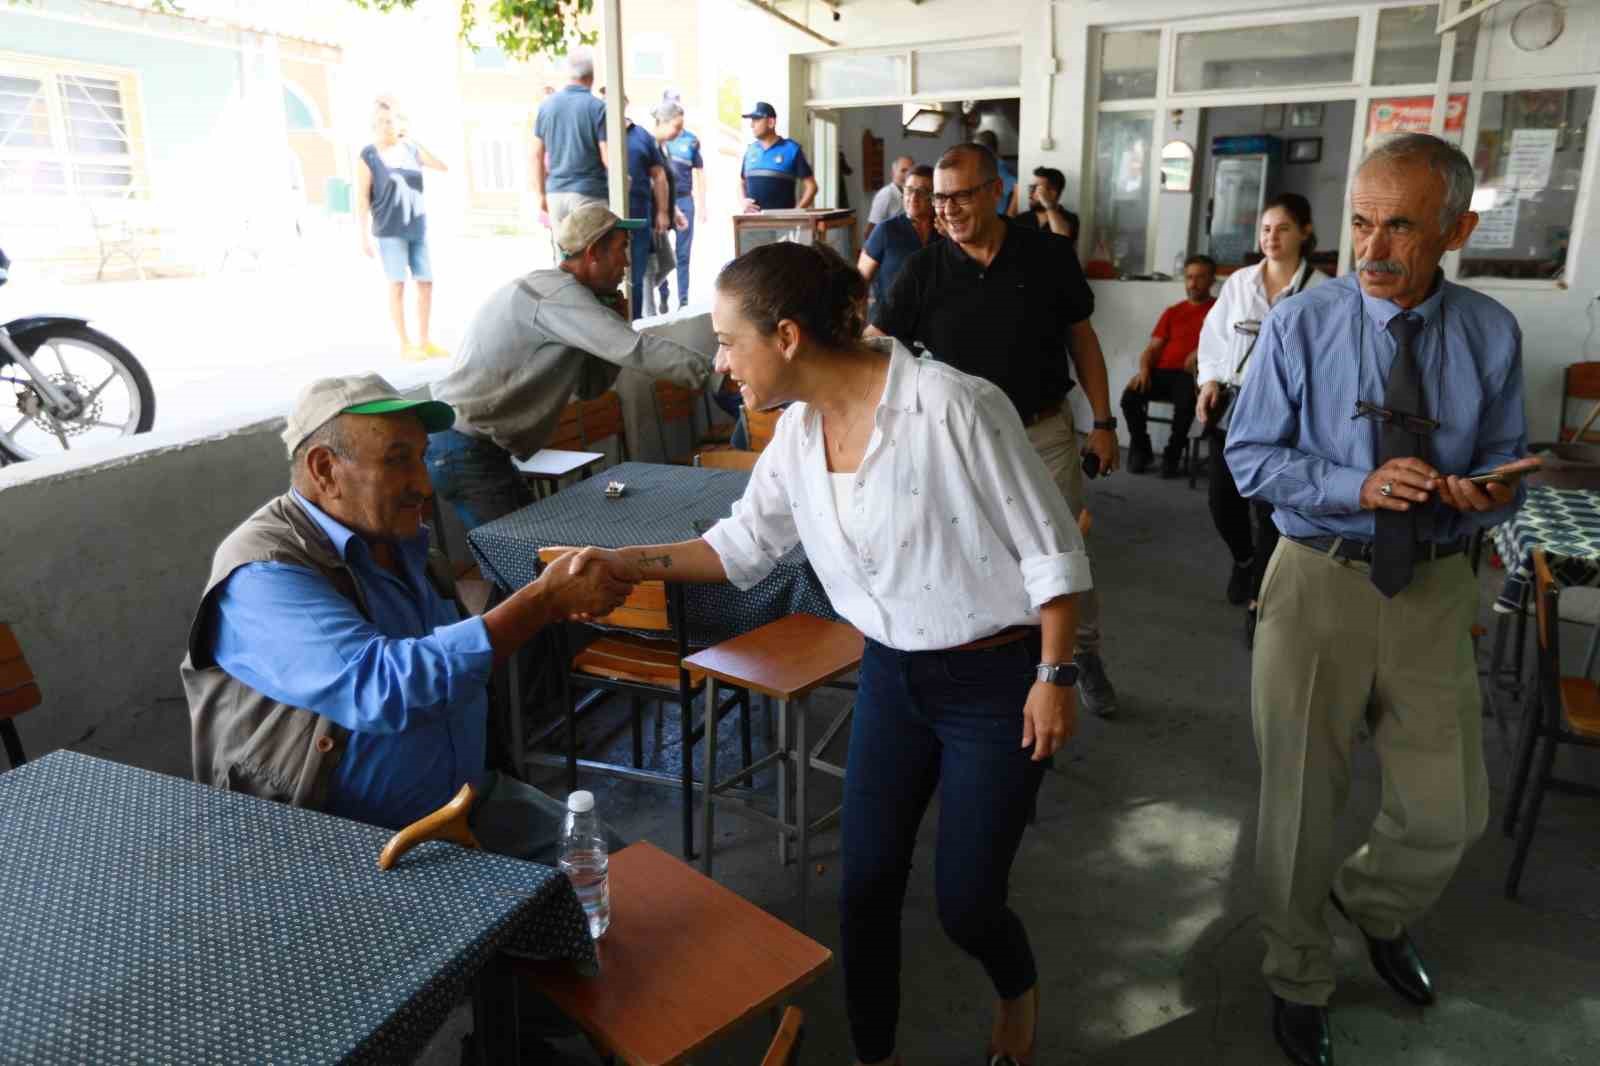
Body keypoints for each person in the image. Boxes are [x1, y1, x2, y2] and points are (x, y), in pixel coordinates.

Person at [580, 241, 1090, 1066]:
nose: (720, 363)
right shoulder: (797, 435)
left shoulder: (953, 407)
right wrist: (621, 562)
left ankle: (1016, 991)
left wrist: (1054, 675)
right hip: (891, 672)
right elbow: (739, 548)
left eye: (727, 341)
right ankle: (874, 1054)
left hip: (999, 679)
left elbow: (1052, 550)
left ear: (785, 336)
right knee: (863, 887)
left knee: (967, 903)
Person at [1225, 133, 1527, 1066]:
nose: (1374, 249)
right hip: (1317, 578)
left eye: (1401, 227)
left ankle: (1375, 905)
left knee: (1450, 810)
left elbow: (1504, 463)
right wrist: (1353, 487)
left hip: (1436, 585)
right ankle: (1297, 973)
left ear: (1457, 230)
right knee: (1301, 805)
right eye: (1361, 222)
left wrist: (1488, 491)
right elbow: (1248, 457)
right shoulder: (1301, 323)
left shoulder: (1490, 331)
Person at [182, 372, 635, 852]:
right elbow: (381, 687)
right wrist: (541, 601)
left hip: (468, 804)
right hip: (343, 842)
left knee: (622, 876)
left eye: (421, 458)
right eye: (398, 461)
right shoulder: (264, 572)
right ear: (325, 470)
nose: (423, 483)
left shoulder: (400, 545)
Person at [869, 141, 1122, 718]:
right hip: (957, 443)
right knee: (974, 552)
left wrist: (1102, 423)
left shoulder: (1049, 255)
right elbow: (877, 352)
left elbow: (1081, 339)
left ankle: (1080, 654)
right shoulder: (922, 270)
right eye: (939, 199)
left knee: (1061, 552)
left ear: (996, 193)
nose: (948, 210)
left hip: (1044, 432)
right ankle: (997, 669)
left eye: (961, 196)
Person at [428, 204, 724, 531]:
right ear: (594, 252)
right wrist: (718, 378)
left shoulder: (570, 299)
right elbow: (638, 350)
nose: (626, 262)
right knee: (526, 558)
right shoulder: (556, 294)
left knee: (526, 558)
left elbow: (589, 387)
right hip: (463, 448)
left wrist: (616, 321)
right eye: (620, 249)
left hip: (473, 446)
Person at [1196, 193, 1330, 644]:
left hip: (1288, 414)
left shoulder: (1322, 291)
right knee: (1222, 501)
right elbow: (1214, 337)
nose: (1272, 237)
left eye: (1283, 228)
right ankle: (1245, 559)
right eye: (1266, 229)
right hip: (1233, 405)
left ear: (1305, 232)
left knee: (1271, 509)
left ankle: (1259, 600)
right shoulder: (1240, 283)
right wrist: (1209, 381)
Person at [354, 98, 448, 361]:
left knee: (426, 282)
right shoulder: (369, 155)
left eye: (391, 121)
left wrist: (414, 139)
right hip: (388, 229)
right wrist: (362, 235)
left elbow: (442, 166)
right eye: (382, 122)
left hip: (417, 227)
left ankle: (425, 340)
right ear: (373, 125)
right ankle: (406, 344)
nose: (387, 126)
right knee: (397, 285)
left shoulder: (410, 150)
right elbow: (362, 196)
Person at [1121, 254, 1216, 477]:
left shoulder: (1219, 309)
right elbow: (1153, 348)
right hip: (1162, 373)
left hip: (1192, 375)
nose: (1193, 283)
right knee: (1130, 396)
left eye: (1200, 277)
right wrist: (1144, 370)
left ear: (1212, 280)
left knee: (1185, 401)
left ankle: (1172, 455)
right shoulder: (1173, 311)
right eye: (1189, 277)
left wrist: (1200, 353)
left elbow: (1227, 344)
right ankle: (1142, 450)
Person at [531, 48, 609, 260]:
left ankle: (566, 293)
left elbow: (537, 155)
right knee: (593, 260)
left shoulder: (546, 106)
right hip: (589, 193)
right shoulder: (598, 108)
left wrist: (541, 194)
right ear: (591, 77)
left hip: (556, 195)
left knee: (564, 260)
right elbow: (607, 156)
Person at [857, 164, 937, 308]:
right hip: (888, 324)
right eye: (909, 190)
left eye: (922, 191)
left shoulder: (944, 232)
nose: (913, 197)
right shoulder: (886, 230)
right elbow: (859, 283)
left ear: (934, 196)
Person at [655, 93, 705, 311]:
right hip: (664, 204)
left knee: (683, 255)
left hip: (684, 201)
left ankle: (683, 300)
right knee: (660, 252)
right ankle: (663, 294)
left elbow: (700, 173)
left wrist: (702, 204)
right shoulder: (659, 142)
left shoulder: (691, 140)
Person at [623, 111, 671, 321]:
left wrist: (662, 211)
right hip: (607, 219)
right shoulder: (599, 135)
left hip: (639, 218)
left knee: (637, 278)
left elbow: (659, 175)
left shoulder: (642, 136)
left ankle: (634, 324)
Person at [739, 101, 816, 212]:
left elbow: (811, 187)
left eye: (756, 120)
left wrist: (796, 213)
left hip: (782, 226)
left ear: (771, 122)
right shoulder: (750, 150)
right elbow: (741, 182)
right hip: (751, 224)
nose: (752, 125)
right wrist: (743, 201)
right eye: (752, 121)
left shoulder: (792, 149)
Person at [1012, 166, 1079, 244]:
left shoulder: (1069, 218)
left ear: (1053, 193)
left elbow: (1063, 240)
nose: (1030, 193)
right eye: (1030, 188)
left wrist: (1048, 205)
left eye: (1036, 188)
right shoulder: (1021, 219)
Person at [864, 155, 913, 241]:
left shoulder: (911, 194)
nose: (907, 175)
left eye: (910, 171)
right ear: (893, 173)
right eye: (903, 170)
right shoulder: (886, 194)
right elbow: (870, 231)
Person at [974, 130, 1017, 218]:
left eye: (976, 148)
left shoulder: (997, 166)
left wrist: (1010, 215)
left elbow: (1016, 186)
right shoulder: (986, 165)